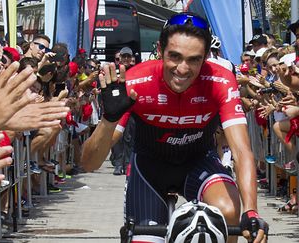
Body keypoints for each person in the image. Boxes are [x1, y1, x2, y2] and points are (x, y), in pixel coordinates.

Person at [81, 12, 268, 243]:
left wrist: (251, 212)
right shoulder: (135, 81)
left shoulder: (220, 80)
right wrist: (108, 120)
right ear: (160, 51)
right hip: (150, 169)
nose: (182, 68)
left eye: (194, 59)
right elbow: (89, 163)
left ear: (206, 57)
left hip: (198, 161)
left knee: (228, 212)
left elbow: (241, 151)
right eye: (175, 56)